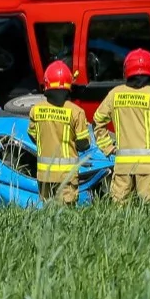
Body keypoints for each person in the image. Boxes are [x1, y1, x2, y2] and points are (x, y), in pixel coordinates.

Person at [93, 48, 150, 203]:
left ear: (126, 70)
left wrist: (108, 147)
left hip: (122, 168)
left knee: (120, 215)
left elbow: (97, 121)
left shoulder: (115, 94)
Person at [28, 60, 91, 207]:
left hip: (44, 175)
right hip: (67, 177)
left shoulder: (36, 110)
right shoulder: (76, 112)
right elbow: (84, 144)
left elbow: (32, 135)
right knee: (66, 217)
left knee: (48, 214)